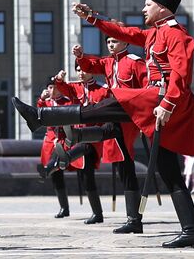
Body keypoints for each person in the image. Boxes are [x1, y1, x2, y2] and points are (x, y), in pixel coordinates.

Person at [12, 0, 194, 248]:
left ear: (162, 8)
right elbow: (123, 31)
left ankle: (43, 117)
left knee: (117, 97)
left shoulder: (176, 35)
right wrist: (92, 18)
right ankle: (192, 231)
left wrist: (168, 104)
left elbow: (181, 74)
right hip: (155, 103)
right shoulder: (154, 34)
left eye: (148, 5)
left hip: (165, 101)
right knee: (169, 172)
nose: (144, 9)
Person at [61, 35, 147, 234]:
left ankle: (74, 134)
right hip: (115, 113)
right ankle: (133, 219)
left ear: (126, 43)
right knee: (124, 168)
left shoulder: (135, 62)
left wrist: (146, 116)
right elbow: (93, 64)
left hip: (128, 113)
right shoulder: (108, 62)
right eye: (108, 42)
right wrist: (81, 56)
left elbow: (146, 88)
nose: (110, 45)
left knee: (124, 161)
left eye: (114, 41)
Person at [51, 67, 110, 225]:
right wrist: (58, 79)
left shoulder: (102, 89)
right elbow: (63, 88)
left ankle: (62, 159)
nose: (81, 73)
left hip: (95, 136)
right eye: (78, 70)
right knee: (86, 176)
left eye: (84, 70)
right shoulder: (75, 87)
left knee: (87, 171)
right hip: (78, 137)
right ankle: (97, 213)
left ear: (91, 70)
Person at [36, 77, 72, 218]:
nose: (53, 90)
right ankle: (64, 208)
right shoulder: (46, 103)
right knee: (56, 176)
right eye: (50, 87)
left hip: (64, 140)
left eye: (55, 87)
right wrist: (40, 99)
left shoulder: (67, 102)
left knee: (56, 165)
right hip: (50, 141)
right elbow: (38, 116)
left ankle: (46, 170)